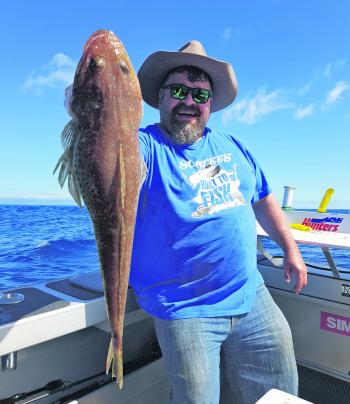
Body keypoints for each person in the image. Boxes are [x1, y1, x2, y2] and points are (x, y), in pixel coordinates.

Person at [65, 40, 308, 404]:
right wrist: (89, 105)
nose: (189, 101)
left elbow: (263, 197)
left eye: (200, 94)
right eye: (178, 90)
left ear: (210, 103)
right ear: (159, 97)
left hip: (251, 294)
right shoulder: (143, 146)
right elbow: (108, 158)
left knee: (280, 393)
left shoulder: (234, 146)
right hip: (184, 308)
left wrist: (291, 249)